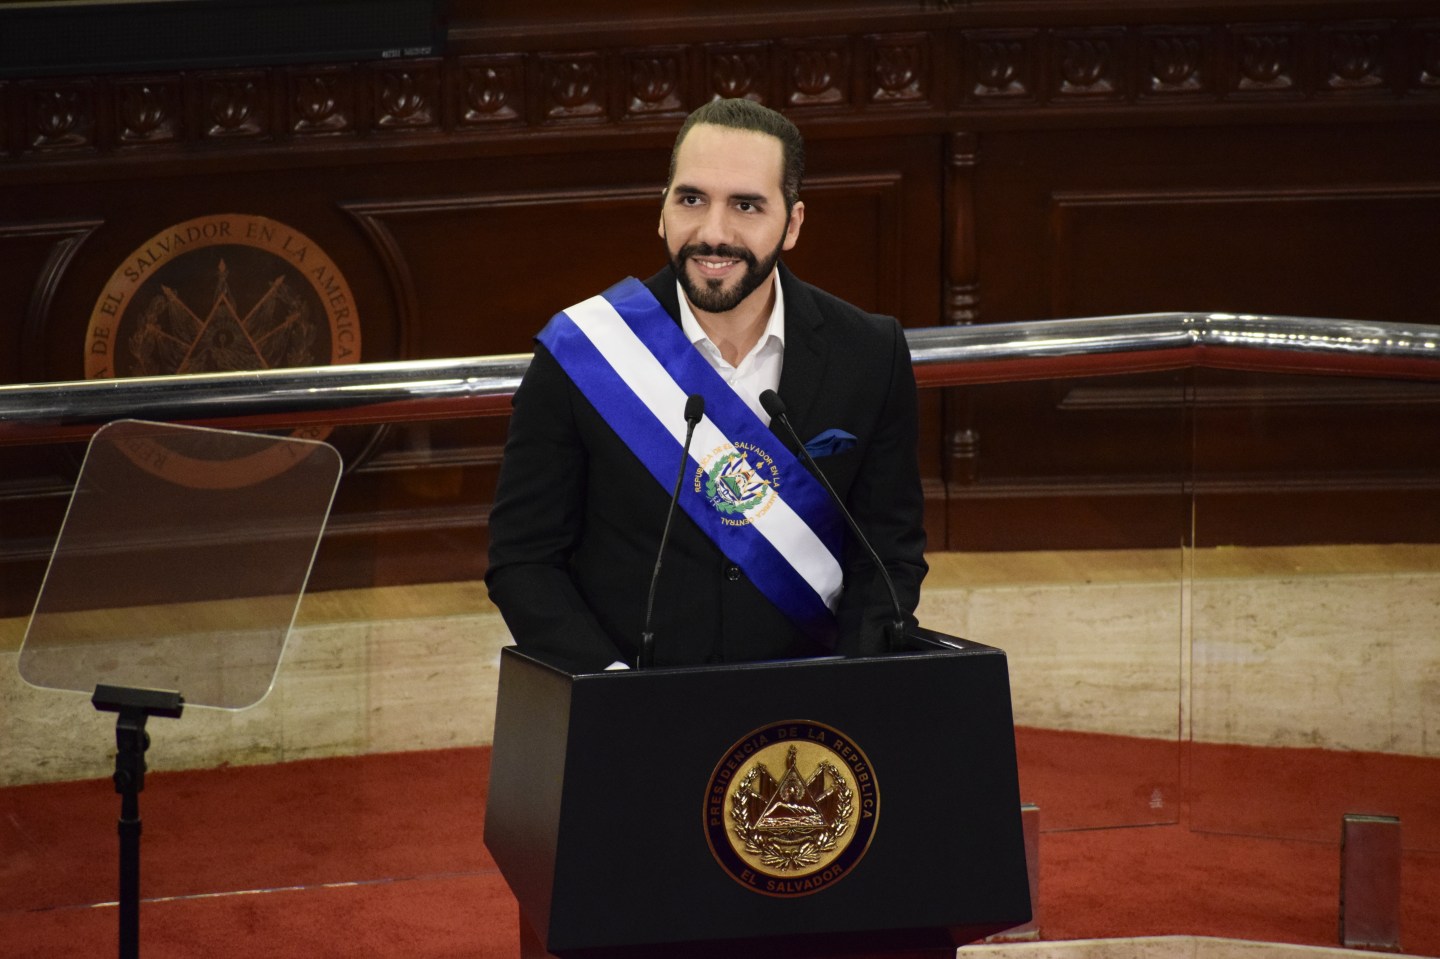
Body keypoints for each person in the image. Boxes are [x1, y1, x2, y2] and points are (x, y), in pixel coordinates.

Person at [485, 98, 926, 671]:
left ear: (791, 224)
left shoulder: (869, 353)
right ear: (662, 211)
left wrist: (846, 684)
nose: (713, 233)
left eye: (746, 205)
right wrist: (610, 690)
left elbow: (889, 555)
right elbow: (523, 559)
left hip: (804, 718)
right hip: (633, 706)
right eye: (691, 199)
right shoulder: (581, 353)